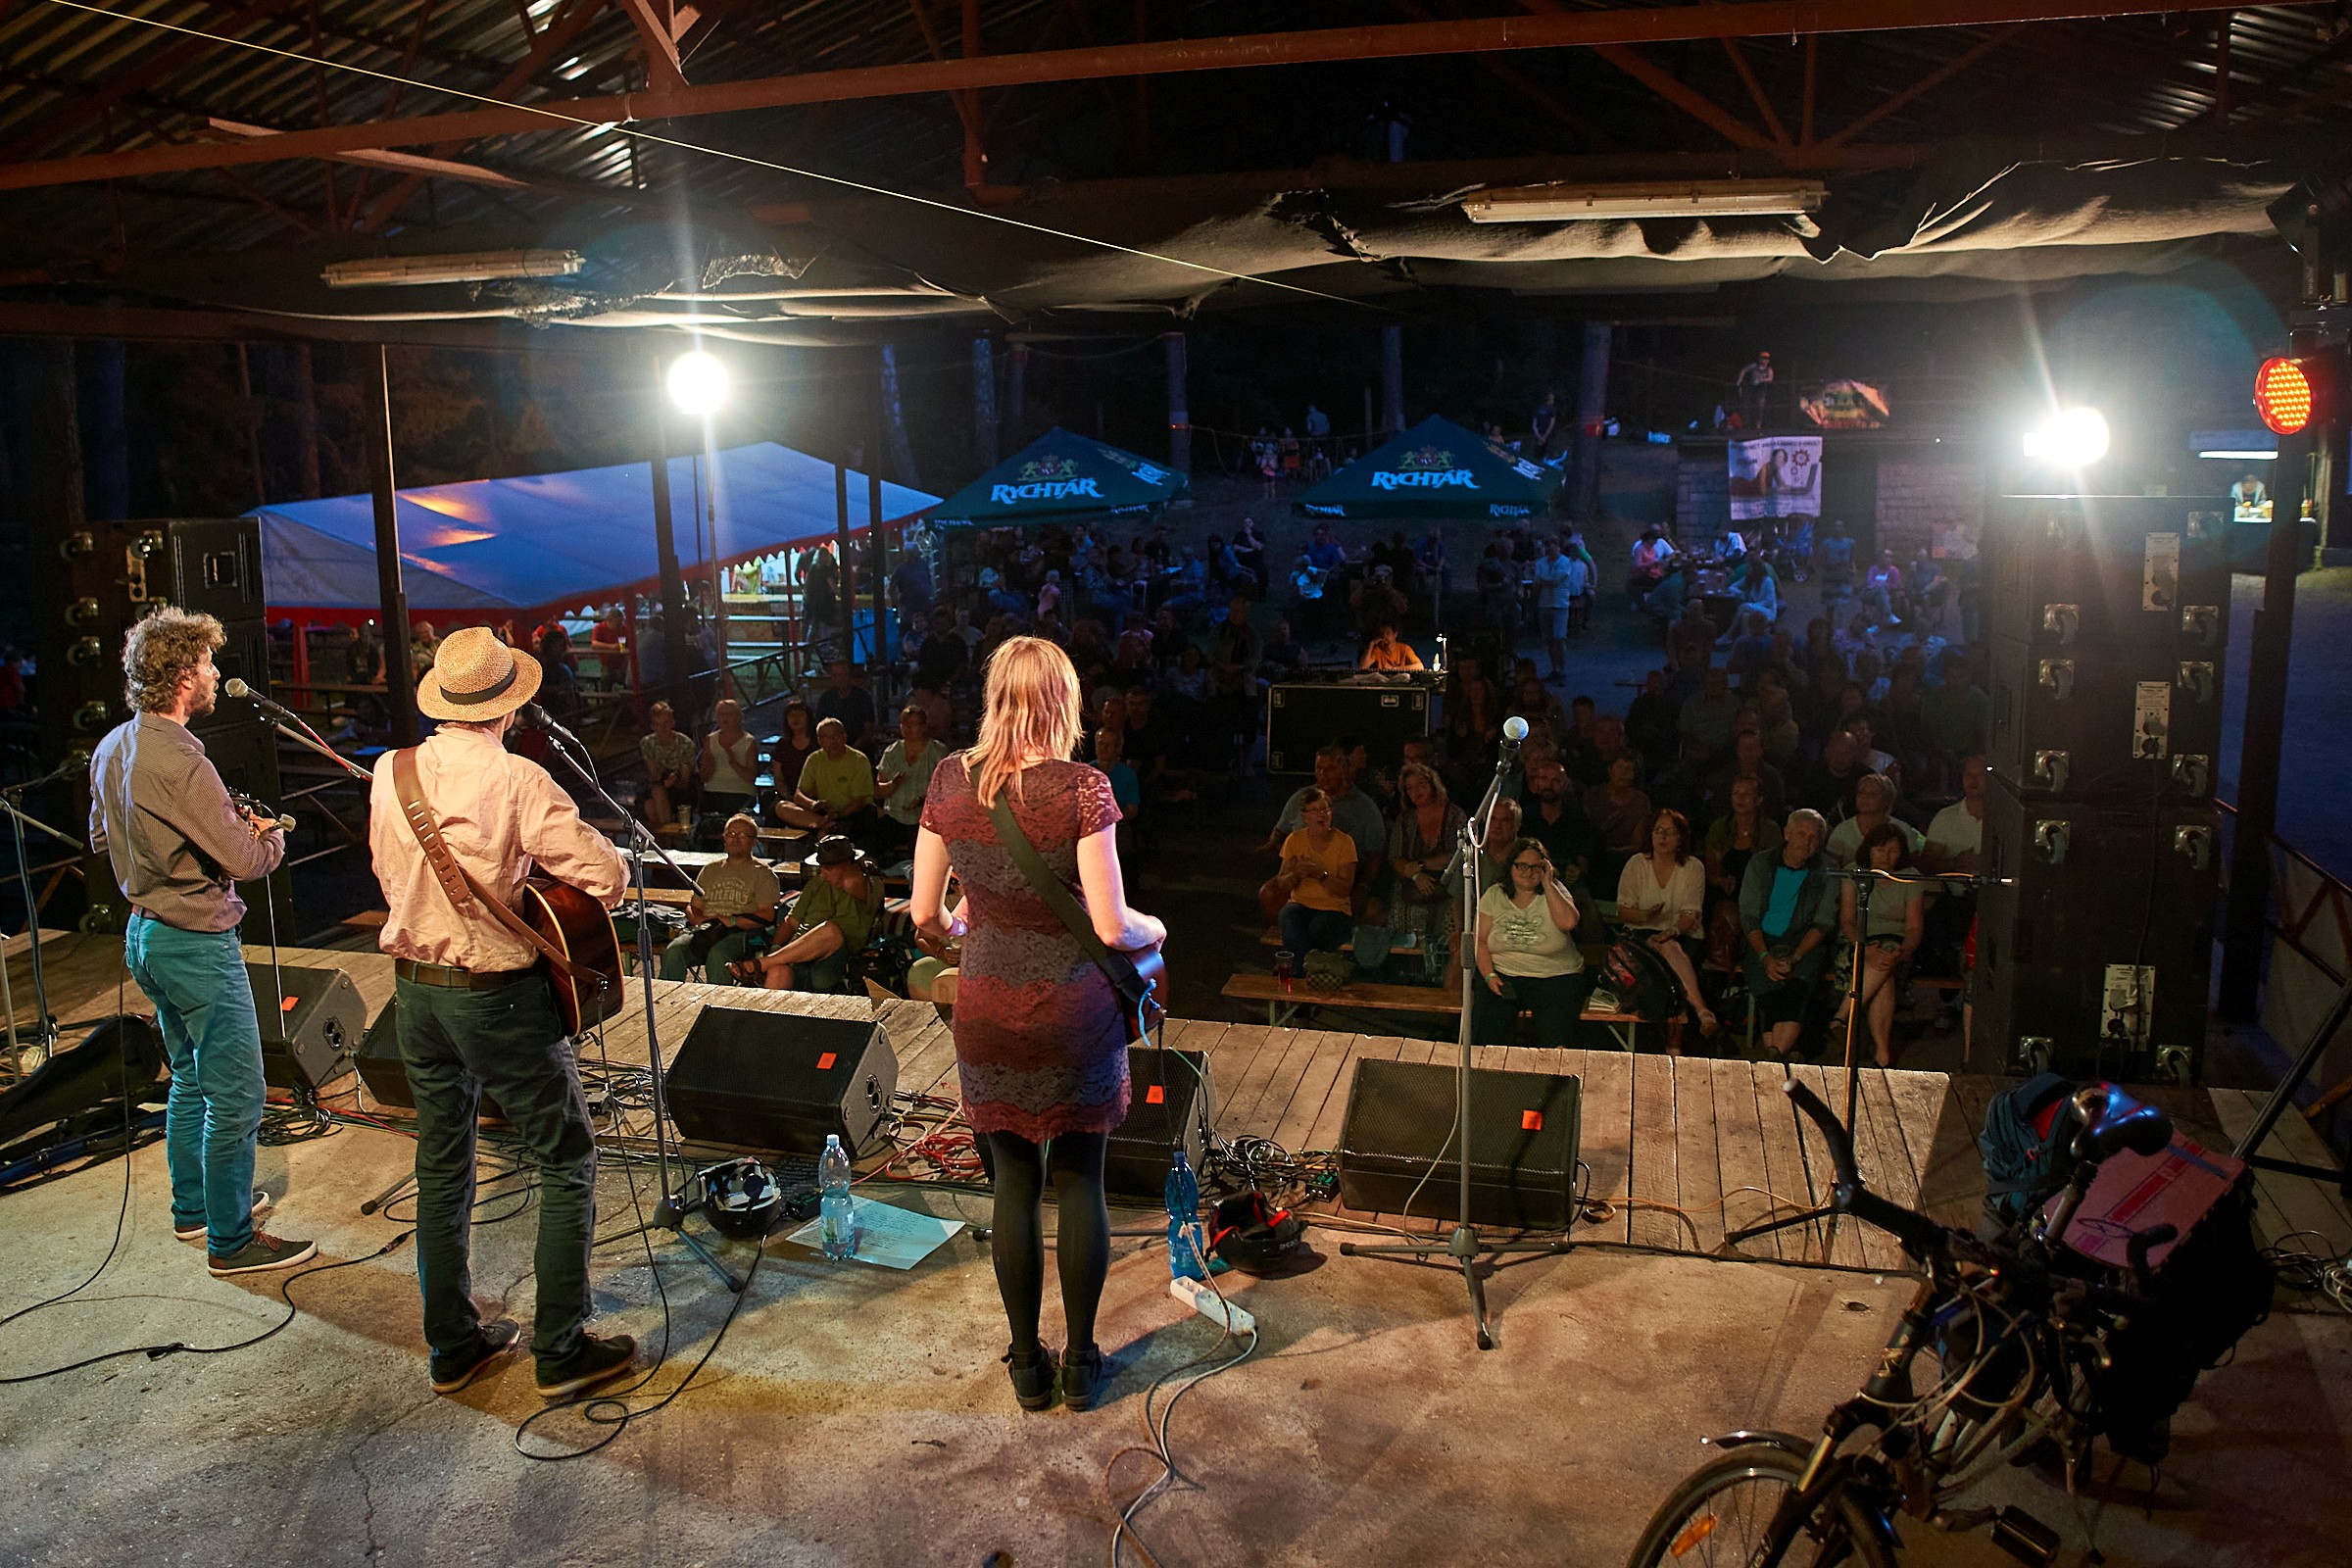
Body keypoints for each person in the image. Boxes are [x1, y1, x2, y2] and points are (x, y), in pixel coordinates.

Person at [367, 626, 633, 1398]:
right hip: (496, 998)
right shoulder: (518, 778)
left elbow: (387, 872)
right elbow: (601, 874)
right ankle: (560, 1349)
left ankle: (454, 1346)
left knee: (441, 1164)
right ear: (510, 707)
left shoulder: (393, 770)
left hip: (415, 991)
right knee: (564, 1156)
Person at [908, 637, 1164, 1413]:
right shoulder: (1083, 788)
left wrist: (967, 929)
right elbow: (1116, 927)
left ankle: (1026, 1364)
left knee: (1014, 1182)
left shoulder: (950, 778)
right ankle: (1083, 1363)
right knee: (1081, 1176)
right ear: (1063, 701)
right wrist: (1158, 928)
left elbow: (924, 914)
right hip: (1074, 1010)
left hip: (984, 1005)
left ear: (995, 697)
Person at [89, 608, 304, 1277]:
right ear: (185, 675)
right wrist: (268, 835)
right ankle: (231, 1241)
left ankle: (195, 1211)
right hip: (194, 943)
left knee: (187, 1075)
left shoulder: (114, 745)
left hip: (144, 936)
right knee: (239, 1092)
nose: (216, 675)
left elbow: (102, 839)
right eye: (209, 664)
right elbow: (243, 858)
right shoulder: (181, 756)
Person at [1472, 838, 1590, 1050]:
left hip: (1555, 976)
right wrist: (1489, 976)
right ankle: (1488, 1074)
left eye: (1536, 867)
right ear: (1511, 866)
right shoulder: (1494, 894)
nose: (1528, 872)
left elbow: (1568, 922)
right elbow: (1479, 940)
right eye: (1522, 865)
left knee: (1556, 1035)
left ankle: (1556, 1077)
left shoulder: (1556, 890)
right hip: (1504, 973)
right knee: (1487, 1027)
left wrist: (1548, 884)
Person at [1740, 808, 1838, 1057]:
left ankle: (1775, 1054)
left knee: (1797, 986)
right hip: (1762, 939)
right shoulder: (1761, 863)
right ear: (1787, 833)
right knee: (1770, 987)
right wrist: (1765, 957)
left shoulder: (1828, 870)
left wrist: (1796, 956)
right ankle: (1784, 1054)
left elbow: (1823, 922)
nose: (1806, 841)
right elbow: (1749, 916)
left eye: (1814, 837)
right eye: (1801, 834)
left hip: (1804, 941)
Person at [1616, 808, 1716, 1050]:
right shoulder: (1637, 864)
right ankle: (1700, 1013)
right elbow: (1623, 911)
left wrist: (1671, 931)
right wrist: (1645, 915)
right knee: (1661, 970)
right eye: (1658, 831)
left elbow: (1690, 915)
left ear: (1680, 838)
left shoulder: (1693, 868)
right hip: (1640, 933)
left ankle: (1674, 1047)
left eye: (1670, 832)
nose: (1662, 837)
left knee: (1669, 954)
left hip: (1683, 936)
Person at [731, 836, 881, 993]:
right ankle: (766, 1014)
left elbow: (852, 881)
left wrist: (855, 865)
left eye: (828, 869)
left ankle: (760, 964)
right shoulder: (817, 884)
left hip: (838, 951)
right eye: (821, 867)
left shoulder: (869, 884)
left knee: (830, 930)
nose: (822, 874)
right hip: (799, 949)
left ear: (848, 866)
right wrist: (776, 947)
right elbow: (791, 921)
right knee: (778, 972)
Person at [1835, 822, 1926, 1067]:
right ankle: (1882, 1055)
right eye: (1880, 850)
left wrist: (1903, 951)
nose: (1886, 856)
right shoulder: (1854, 873)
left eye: (1893, 851)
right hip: (1858, 942)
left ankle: (1841, 1019)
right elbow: (1847, 921)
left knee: (1886, 961)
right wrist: (1864, 947)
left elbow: (1914, 928)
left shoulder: (1910, 877)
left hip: (1896, 946)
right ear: (1869, 850)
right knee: (1884, 981)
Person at [661, 813, 780, 983]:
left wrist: (731, 920)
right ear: (724, 839)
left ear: (753, 841)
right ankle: (666, 1002)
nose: (735, 839)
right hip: (706, 929)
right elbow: (694, 905)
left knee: (718, 957)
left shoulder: (763, 873)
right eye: (731, 834)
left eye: (742, 835)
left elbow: (767, 914)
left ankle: (718, 1006)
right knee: (674, 951)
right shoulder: (710, 870)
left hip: (740, 932)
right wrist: (697, 919)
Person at [1704, 774, 1782, 971]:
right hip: (1725, 890)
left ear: (1759, 799)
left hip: (1758, 892)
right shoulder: (1720, 828)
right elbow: (1710, 869)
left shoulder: (1769, 830)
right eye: (1736, 793)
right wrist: (1721, 881)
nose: (1740, 798)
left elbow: (1775, 870)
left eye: (1747, 794)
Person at [1386, 760, 1466, 947]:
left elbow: (1458, 854)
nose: (1416, 791)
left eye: (1421, 784)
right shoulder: (1405, 819)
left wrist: (1422, 865)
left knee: (1452, 916)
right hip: (1413, 883)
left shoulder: (1454, 815)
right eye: (1410, 788)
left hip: (1449, 882)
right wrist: (1415, 874)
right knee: (1404, 910)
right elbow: (1394, 857)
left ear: (1432, 784)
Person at [774, 716, 875, 839]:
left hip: (853, 814)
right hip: (824, 815)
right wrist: (812, 805)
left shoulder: (859, 760)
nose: (832, 740)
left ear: (844, 736)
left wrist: (838, 815)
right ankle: (827, 825)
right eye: (826, 737)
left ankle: (828, 827)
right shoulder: (814, 759)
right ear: (820, 741)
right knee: (782, 807)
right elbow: (799, 795)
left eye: (836, 735)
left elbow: (858, 802)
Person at [873, 703, 949, 858]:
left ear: (923, 726)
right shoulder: (892, 752)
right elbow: (878, 791)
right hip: (894, 817)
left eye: (913, 724)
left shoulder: (938, 751)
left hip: (927, 818)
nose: (908, 728)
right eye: (904, 724)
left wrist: (923, 800)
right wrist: (892, 785)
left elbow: (947, 790)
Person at [1583, 750, 1652, 890]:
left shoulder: (1641, 801)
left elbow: (1637, 843)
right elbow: (1584, 833)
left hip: (1626, 860)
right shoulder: (1593, 795)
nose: (1624, 773)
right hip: (1595, 856)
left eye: (1629, 769)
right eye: (1620, 767)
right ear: (1610, 769)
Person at [1825, 773, 1924, 868]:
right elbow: (1832, 870)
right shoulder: (1842, 830)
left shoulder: (1903, 830)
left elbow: (1911, 869)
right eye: (1861, 792)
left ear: (1887, 799)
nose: (1864, 798)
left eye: (1872, 794)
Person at [697, 698, 759, 840]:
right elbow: (704, 778)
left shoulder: (748, 741)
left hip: (740, 792)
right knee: (708, 823)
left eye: (728, 714)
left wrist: (733, 762)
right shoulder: (710, 739)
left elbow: (751, 777)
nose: (724, 718)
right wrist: (709, 767)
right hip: (713, 791)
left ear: (738, 717)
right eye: (720, 714)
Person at [638, 699, 695, 830]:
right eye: (658, 724)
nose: (663, 728)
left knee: (655, 799)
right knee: (650, 803)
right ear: (653, 726)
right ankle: (668, 839)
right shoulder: (647, 743)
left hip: (683, 788)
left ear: (673, 723)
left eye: (666, 723)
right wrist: (662, 776)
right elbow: (654, 776)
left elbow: (685, 781)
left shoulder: (686, 744)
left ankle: (664, 841)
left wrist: (674, 779)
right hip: (658, 785)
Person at [1530, 535, 1578, 683]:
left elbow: (1556, 580)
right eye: (1548, 546)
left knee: (1559, 638)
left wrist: (1543, 581)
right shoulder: (1541, 563)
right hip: (1544, 604)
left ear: (1558, 547)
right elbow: (1537, 580)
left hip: (1560, 604)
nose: (1550, 549)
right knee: (1550, 640)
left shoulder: (1565, 562)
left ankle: (1562, 669)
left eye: (1553, 546)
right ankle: (1554, 668)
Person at [812, 660, 877, 751]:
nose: (839, 679)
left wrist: (852, 750)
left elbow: (869, 729)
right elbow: (819, 727)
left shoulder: (863, 697)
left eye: (841, 675)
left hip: (858, 750)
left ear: (850, 676)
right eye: (835, 675)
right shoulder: (826, 698)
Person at [767, 699, 821, 805]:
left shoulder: (817, 742)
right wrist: (787, 795)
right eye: (791, 715)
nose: (795, 718)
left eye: (800, 715)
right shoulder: (782, 744)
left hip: (815, 796)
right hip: (789, 795)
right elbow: (778, 777)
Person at [1359, 619, 1423, 671]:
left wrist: (1394, 669)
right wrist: (1371, 645)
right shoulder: (1378, 650)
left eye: (1388, 633)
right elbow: (1362, 667)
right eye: (1382, 634)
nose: (1384, 637)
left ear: (1395, 634)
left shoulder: (1404, 649)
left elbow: (1420, 667)